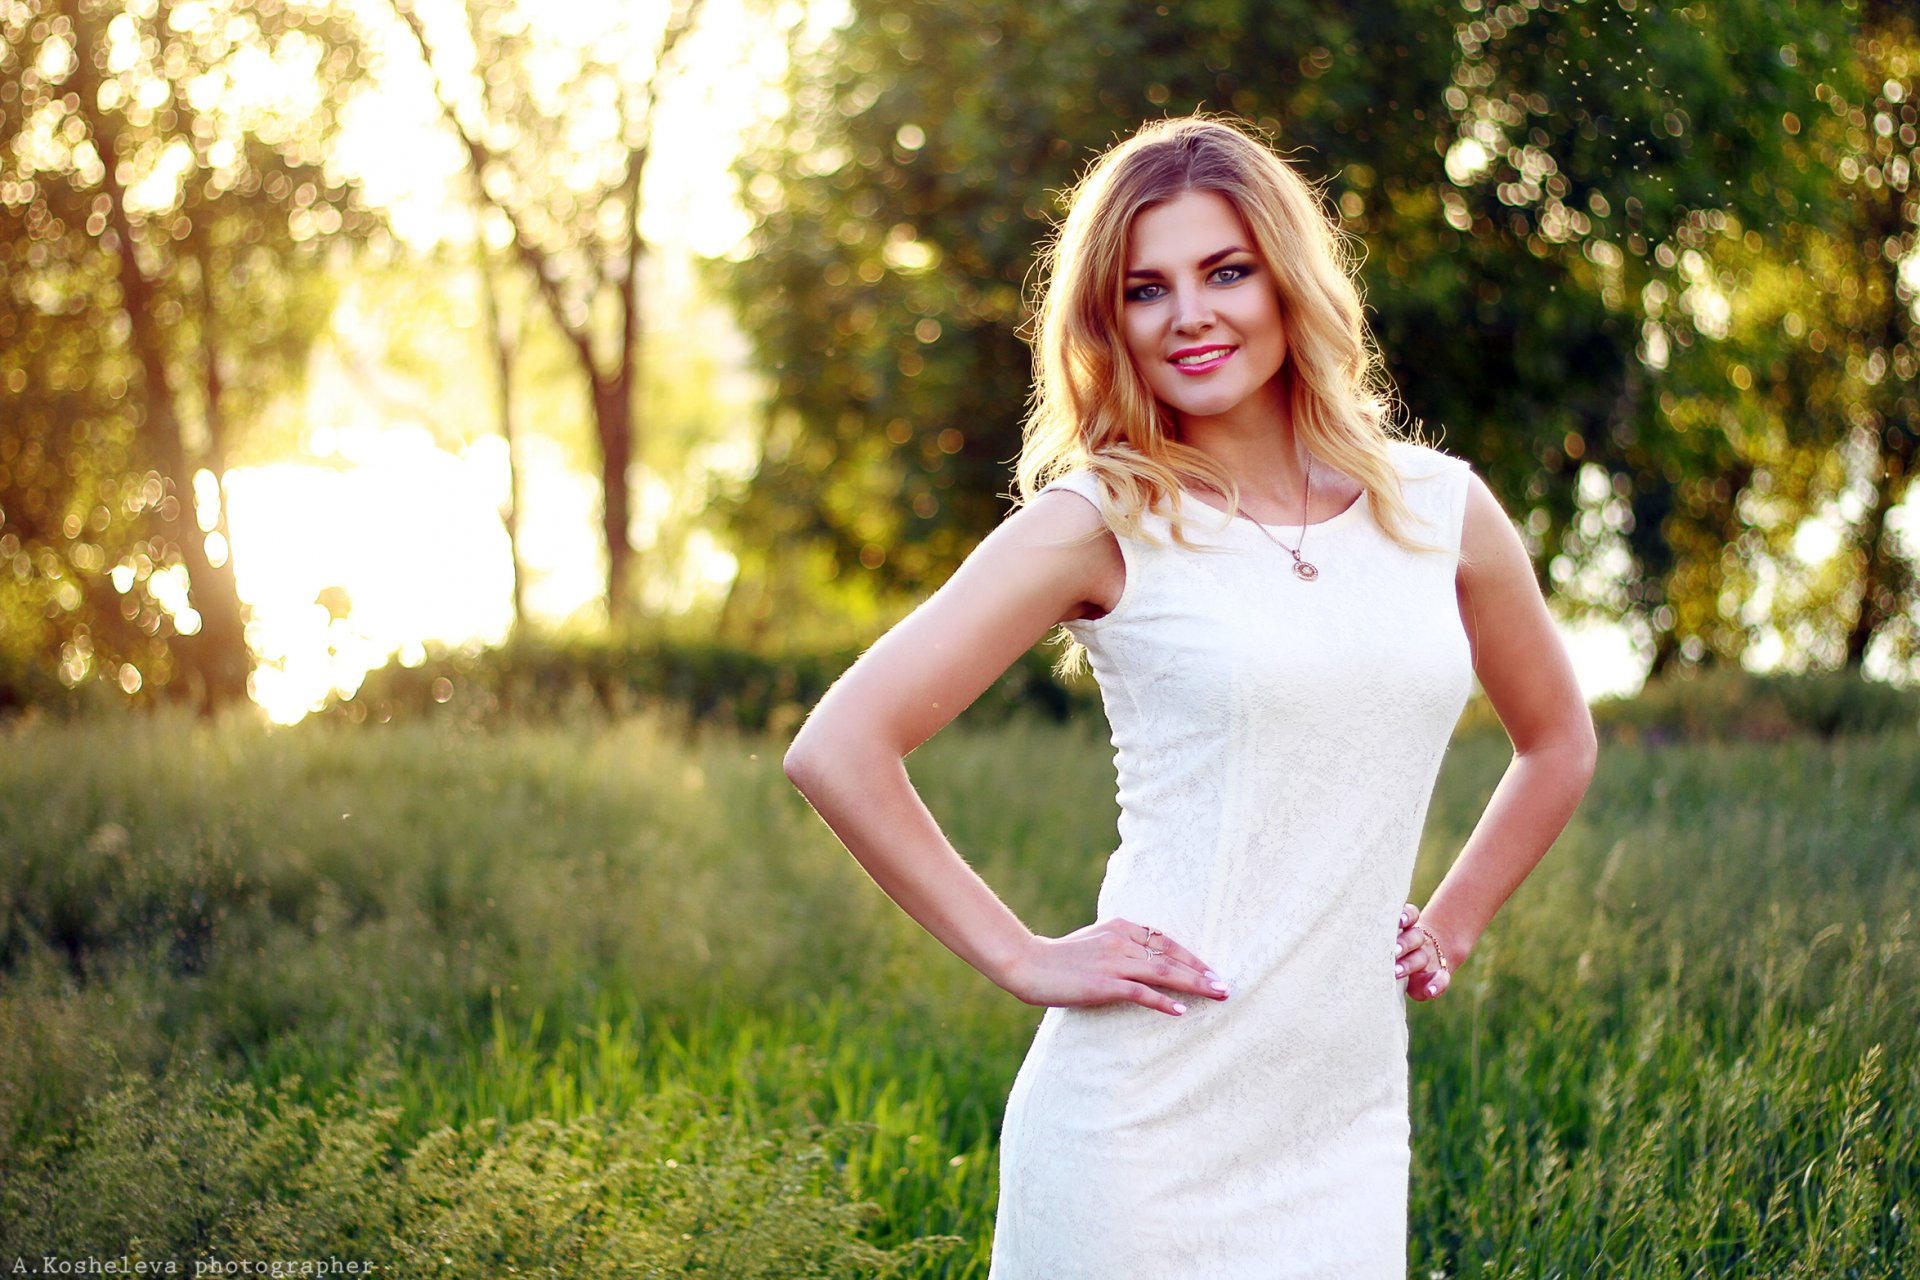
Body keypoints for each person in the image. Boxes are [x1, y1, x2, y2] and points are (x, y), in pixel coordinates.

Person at [782, 114, 1597, 1278]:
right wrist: (1022, 956)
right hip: (1139, 1135)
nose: (1191, 315)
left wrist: (1453, 920)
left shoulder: (1440, 508)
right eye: (1146, 289)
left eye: (1226, 271)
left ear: (1288, 280)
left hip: (1343, 1126)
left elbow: (1557, 739)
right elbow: (839, 745)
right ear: (1108, 321)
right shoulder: (1101, 519)